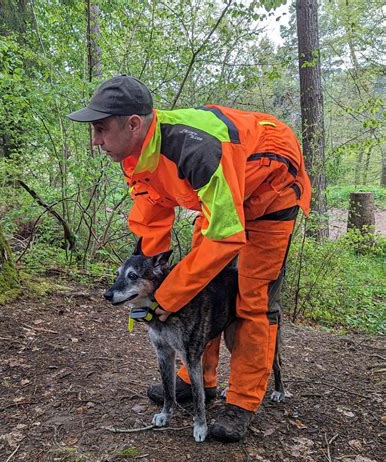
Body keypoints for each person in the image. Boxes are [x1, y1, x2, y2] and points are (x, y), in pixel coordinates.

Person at [68, 75, 311, 442]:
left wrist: (168, 298)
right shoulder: (135, 155)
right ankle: (197, 379)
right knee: (198, 283)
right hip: (221, 196)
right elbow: (151, 222)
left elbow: (226, 238)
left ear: (134, 124)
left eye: (101, 129)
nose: (95, 140)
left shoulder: (196, 150)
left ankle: (243, 402)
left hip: (269, 190)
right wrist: (150, 284)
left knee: (251, 298)